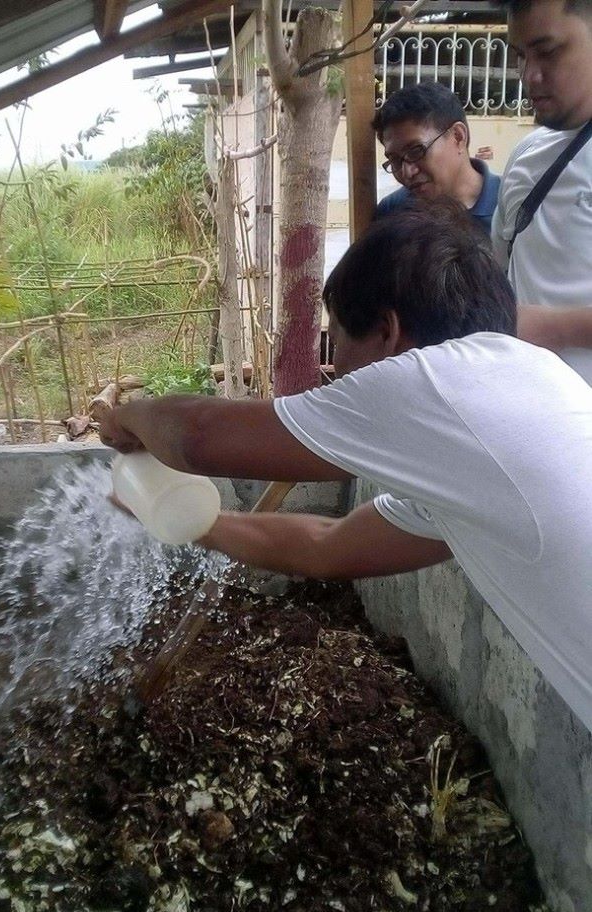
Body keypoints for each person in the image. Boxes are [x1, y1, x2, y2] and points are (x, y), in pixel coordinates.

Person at [101, 202, 592, 733]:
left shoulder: (431, 380)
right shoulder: (522, 393)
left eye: (336, 343)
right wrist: (198, 523)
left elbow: (197, 437)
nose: (332, 368)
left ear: (387, 331)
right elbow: (329, 546)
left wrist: (125, 419)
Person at [492, 0, 592, 380]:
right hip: (531, 416)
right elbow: (504, 272)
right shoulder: (526, 156)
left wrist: (554, 327)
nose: (529, 75)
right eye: (519, 56)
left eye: (548, 52)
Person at [373, 81, 500, 233]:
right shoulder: (392, 213)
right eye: (395, 160)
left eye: (416, 151)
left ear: (458, 137)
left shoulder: (514, 203)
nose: (407, 172)